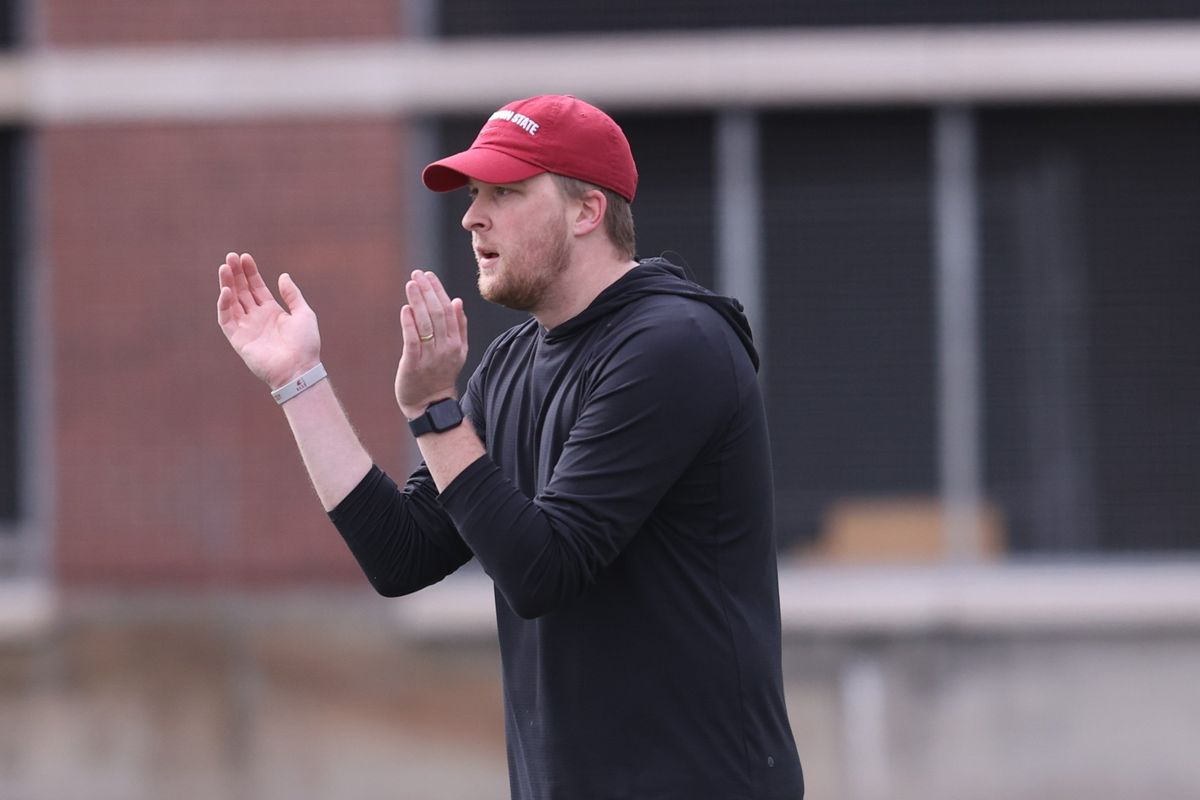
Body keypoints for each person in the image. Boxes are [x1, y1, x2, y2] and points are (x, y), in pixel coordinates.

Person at [216, 94, 804, 799]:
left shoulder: (675, 345)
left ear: (587, 211)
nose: (471, 217)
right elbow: (402, 555)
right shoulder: (513, 362)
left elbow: (542, 569)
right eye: (472, 195)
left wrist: (436, 411)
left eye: (506, 192)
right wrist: (299, 381)